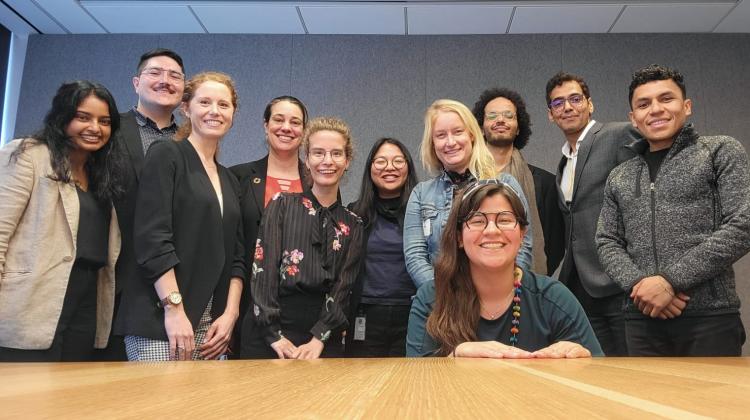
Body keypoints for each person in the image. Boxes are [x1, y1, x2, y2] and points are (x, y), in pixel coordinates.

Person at [597, 64, 750, 356]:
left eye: (666, 99)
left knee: (711, 403)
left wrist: (670, 281)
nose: (655, 109)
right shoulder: (620, 175)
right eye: (644, 104)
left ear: (687, 106)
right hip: (640, 319)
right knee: (643, 402)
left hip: (709, 317)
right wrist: (641, 285)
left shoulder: (720, 151)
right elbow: (606, 241)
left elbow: (743, 224)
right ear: (633, 117)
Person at [116, 72, 245, 361]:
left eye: (224, 105)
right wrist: (173, 309)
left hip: (212, 325)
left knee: (206, 408)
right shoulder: (167, 154)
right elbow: (153, 239)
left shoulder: (229, 179)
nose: (215, 111)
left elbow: (236, 255)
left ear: (233, 113)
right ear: (186, 108)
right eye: (205, 102)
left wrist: (230, 315)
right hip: (162, 318)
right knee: (163, 406)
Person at [0, 81, 123, 362]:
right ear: (62, 117)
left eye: (104, 121)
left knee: (66, 395)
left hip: (86, 301)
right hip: (30, 302)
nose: (95, 128)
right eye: (83, 117)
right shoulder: (28, 155)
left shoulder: (100, 174)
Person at [407, 180, 601, 358]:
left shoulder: (554, 299)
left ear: (522, 234)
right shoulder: (431, 299)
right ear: (458, 237)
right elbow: (415, 383)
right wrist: (455, 357)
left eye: (505, 220)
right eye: (477, 221)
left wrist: (584, 363)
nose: (492, 230)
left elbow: (601, 377)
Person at [241, 117, 363, 359]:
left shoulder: (353, 223)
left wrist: (319, 338)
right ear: (307, 159)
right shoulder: (282, 204)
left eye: (336, 154)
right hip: (269, 331)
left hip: (323, 335)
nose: (327, 161)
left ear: (347, 161)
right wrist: (273, 335)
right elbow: (262, 271)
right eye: (318, 153)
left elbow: (343, 287)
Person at [546, 72, 638, 356]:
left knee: (633, 374)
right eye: (558, 103)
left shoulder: (618, 134)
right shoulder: (563, 162)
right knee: (598, 372)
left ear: (590, 104)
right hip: (582, 287)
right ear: (551, 115)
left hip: (620, 283)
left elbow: (642, 204)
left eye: (575, 99)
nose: (568, 107)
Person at [105, 48, 186, 361]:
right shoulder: (109, 130)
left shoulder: (190, 141)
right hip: (113, 278)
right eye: (155, 73)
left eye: (174, 76)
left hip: (170, 279)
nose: (165, 81)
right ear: (136, 82)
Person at [404, 99, 533, 290]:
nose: (450, 142)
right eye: (441, 135)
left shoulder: (506, 184)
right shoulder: (421, 194)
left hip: (498, 300)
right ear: (432, 144)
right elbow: (415, 256)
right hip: (442, 305)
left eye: (458, 132)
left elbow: (523, 245)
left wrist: (499, 292)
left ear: (472, 135)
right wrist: (446, 295)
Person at [230, 96, 310, 354]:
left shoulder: (316, 181)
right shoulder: (239, 177)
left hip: (301, 310)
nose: (286, 127)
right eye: (278, 119)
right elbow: (232, 245)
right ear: (266, 125)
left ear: (304, 131)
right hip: (248, 305)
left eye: (295, 122)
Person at [472, 88, 564, 275]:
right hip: (471, 282)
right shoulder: (466, 179)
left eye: (508, 116)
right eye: (492, 116)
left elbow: (554, 245)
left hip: (527, 284)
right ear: (481, 127)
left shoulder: (545, 183)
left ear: (519, 127)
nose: (500, 120)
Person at [346, 138, 419, 357]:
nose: (389, 167)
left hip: (413, 313)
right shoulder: (354, 213)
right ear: (369, 168)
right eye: (381, 161)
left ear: (408, 167)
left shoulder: (423, 212)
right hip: (365, 314)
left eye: (398, 161)